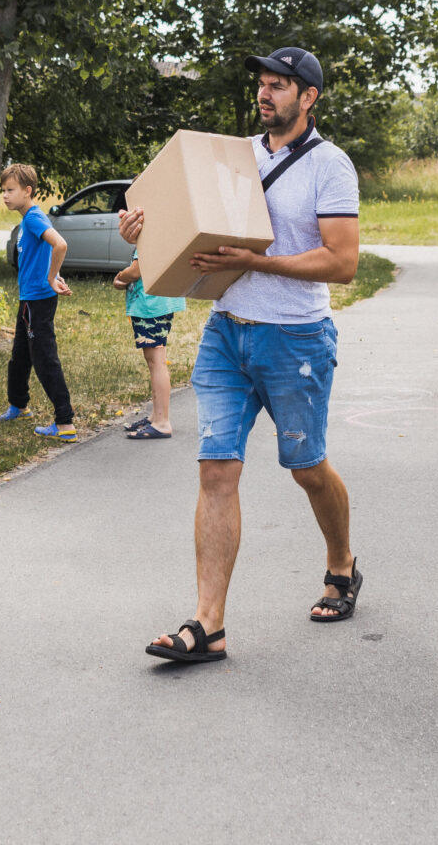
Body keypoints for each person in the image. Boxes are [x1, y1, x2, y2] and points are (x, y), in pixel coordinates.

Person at [121, 46, 362, 664]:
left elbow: (342, 263)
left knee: (307, 470)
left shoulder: (331, 167)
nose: (266, 93)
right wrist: (143, 231)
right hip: (226, 331)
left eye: (280, 85)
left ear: (308, 97)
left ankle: (342, 563)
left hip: (296, 338)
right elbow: (192, 228)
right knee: (216, 470)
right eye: (263, 84)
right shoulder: (235, 157)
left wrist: (257, 261)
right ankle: (209, 625)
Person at [0, 164, 76, 441]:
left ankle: (64, 423)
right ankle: (18, 405)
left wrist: (52, 277)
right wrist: (54, 275)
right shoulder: (30, 218)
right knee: (20, 356)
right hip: (29, 300)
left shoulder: (32, 218)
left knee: (44, 359)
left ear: (27, 191)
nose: (5, 196)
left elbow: (60, 244)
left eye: (10, 190)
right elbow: (44, 253)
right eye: (2, 190)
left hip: (37, 301)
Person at [114, 246, 187, 439]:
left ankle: (162, 422)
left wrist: (120, 277)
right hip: (160, 301)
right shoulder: (163, 231)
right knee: (154, 360)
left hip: (151, 305)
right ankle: (156, 416)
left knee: (156, 361)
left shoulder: (149, 233)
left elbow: (137, 270)